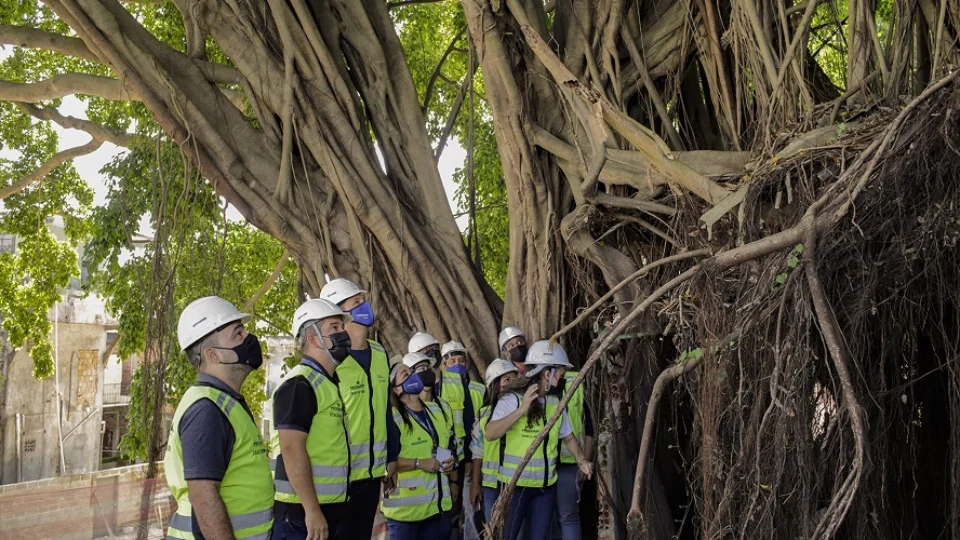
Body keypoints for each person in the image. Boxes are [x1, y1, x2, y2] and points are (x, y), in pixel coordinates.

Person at [164, 296, 274, 540]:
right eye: (237, 334)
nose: (248, 338)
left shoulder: (224, 401)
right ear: (213, 354)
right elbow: (204, 496)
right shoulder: (207, 410)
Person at [485, 341, 593, 540]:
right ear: (546, 373)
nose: (561, 377)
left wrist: (581, 460)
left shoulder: (555, 403)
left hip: (544, 489)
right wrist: (522, 409)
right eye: (559, 372)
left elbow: (568, 437)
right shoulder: (512, 400)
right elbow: (490, 433)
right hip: (514, 488)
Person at [270, 299, 354, 539]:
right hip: (301, 519)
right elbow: (292, 450)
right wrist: (312, 510)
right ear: (314, 339)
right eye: (334, 328)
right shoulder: (300, 384)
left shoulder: (327, 383)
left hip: (331, 511)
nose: (343, 334)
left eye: (342, 327)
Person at [319, 278, 390, 540]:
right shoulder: (331, 360)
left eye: (363, 300)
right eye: (356, 302)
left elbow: (385, 412)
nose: (364, 306)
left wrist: (390, 460)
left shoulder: (380, 353)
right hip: (342, 477)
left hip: (373, 476)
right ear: (339, 313)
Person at [383, 357, 458, 540]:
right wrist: (418, 463)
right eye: (405, 374)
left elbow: (446, 445)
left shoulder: (438, 410)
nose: (412, 376)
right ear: (396, 388)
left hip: (437, 509)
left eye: (411, 372)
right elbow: (384, 461)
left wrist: (451, 463)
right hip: (405, 515)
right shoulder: (391, 417)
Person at [549, 350, 594, 540]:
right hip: (543, 464)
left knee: (567, 517)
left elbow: (588, 426)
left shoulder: (576, 384)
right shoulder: (536, 388)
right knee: (550, 518)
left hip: (568, 463)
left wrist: (585, 460)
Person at [469, 359, 519, 522]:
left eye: (514, 379)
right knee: (494, 526)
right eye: (506, 380)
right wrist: (476, 484)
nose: (512, 383)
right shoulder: (483, 414)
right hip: (491, 485)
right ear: (495, 386)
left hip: (516, 482)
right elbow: (478, 452)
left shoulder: (523, 411)